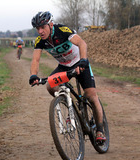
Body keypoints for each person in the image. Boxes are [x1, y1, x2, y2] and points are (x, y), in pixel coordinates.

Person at [29, 11, 106, 142]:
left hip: (78, 62)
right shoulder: (39, 41)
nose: (40, 31)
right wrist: (33, 75)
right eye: (38, 29)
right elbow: (35, 60)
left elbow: (82, 43)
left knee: (91, 95)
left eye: (43, 27)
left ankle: (100, 130)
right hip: (64, 65)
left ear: (50, 24)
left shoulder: (62, 30)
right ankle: (68, 104)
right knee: (50, 86)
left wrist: (83, 60)